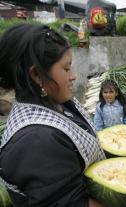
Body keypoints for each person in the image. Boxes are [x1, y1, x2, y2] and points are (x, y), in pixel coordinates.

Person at [0, 24, 107, 207]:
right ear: (37, 75)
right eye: (66, 69)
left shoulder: (58, 102)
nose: (73, 76)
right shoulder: (36, 141)